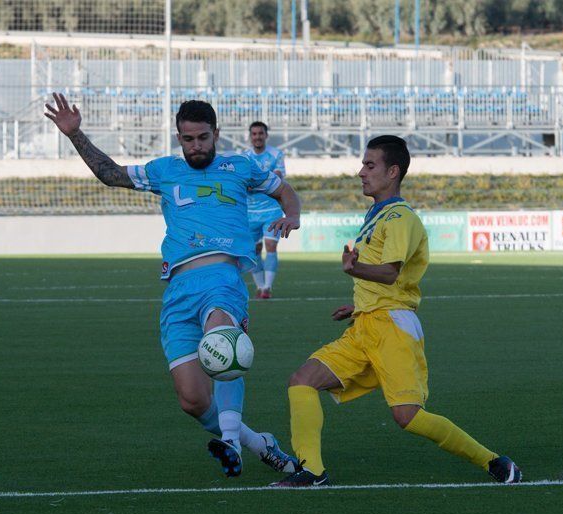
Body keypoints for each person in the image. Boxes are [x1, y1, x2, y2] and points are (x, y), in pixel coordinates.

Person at [45, 93, 301, 478]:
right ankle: (260, 444)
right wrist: (75, 134)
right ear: (178, 137)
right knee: (194, 401)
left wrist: (291, 216)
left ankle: (230, 441)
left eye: (201, 138)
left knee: (224, 344)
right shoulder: (164, 170)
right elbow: (111, 173)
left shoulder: (240, 167)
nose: (195, 146)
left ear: (216, 133)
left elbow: (284, 190)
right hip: (178, 291)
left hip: (222, 279)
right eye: (187, 139)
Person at [271, 135, 521, 487]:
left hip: (393, 328)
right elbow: (381, 277)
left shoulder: (401, 218)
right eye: (362, 164)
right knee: (302, 381)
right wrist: (358, 305)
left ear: (393, 171)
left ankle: (494, 462)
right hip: (366, 325)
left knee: (407, 416)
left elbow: (390, 273)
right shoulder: (376, 216)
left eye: (369, 165)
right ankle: (311, 471)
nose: (360, 172)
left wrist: (354, 270)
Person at [244, 122, 286, 299]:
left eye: (260, 133)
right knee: (254, 250)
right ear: (250, 136)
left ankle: (267, 287)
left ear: (266, 135)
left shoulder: (276, 154)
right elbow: (243, 181)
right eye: (254, 134)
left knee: (270, 246)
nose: (257, 137)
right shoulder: (244, 157)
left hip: (271, 210)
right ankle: (260, 286)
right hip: (249, 212)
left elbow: (278, 177)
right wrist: (261, 181)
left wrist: (254, 183)